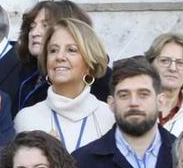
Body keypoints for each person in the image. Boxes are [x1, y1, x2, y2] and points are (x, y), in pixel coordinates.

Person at [76, 57, 179, 168]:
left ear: (160, 101)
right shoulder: (83, 164)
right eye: (124, 95)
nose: (133, 103)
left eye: (143, 94)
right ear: (111, 104)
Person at [15, 14, 112, 151]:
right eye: (53, 50)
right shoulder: (26, 119)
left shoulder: (109, 116)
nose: (59, 57)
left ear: (90, 62)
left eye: (71, 50)